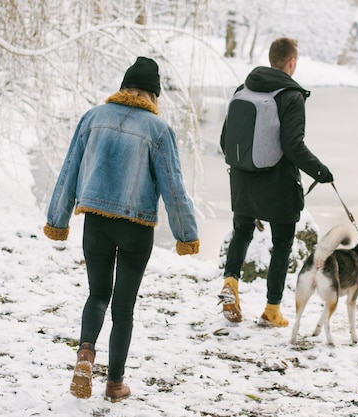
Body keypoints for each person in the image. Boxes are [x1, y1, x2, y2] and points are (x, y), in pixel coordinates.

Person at [43, 57, 199, 402]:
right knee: (123, 308)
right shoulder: (158, 130)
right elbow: (173, 187)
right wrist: (186, 235)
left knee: (98, 294)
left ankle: (85, 355)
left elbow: (69, 169)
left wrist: (58, 220)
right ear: (153, 95)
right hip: (136, 226)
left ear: (123, 88)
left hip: (96, 221)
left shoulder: (93, 118)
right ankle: (114, 385)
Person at [219, 37, 333, 327]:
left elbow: (224, 139)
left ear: (271, 59)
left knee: (241, 231)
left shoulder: (242, 89)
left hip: (243, 177)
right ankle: (272, 310)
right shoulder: (291, 96)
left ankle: (230, 281)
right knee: (282, 244)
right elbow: (293, 146)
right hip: (278, 183)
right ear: (292, 62)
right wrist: (320, 171)